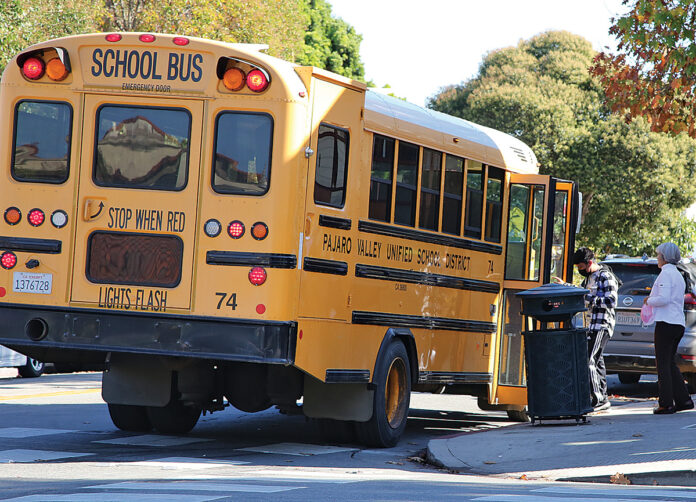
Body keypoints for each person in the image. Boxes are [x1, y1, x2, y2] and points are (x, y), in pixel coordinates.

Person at [645, 242, 694, 414]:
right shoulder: (678, 274)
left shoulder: (665, 274)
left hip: (666, 323)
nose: (657, 258)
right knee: (670, 363)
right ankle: (684, 400)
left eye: (659, 255)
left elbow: (663, 299)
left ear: (664, 257)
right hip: (677, 323)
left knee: (663, 364)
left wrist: (648, 300)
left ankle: (666, 403)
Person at [573, 247, 618, 411]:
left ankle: (598, 399)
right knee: (597, 361)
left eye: (581, 267)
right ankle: (603, 397)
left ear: (589, 263)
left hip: (602, 323)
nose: (580, 271)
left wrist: (588, 297)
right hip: (591, 324)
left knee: (589, 360)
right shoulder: (590, 278)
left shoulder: (605, 276)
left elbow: (611, 301)